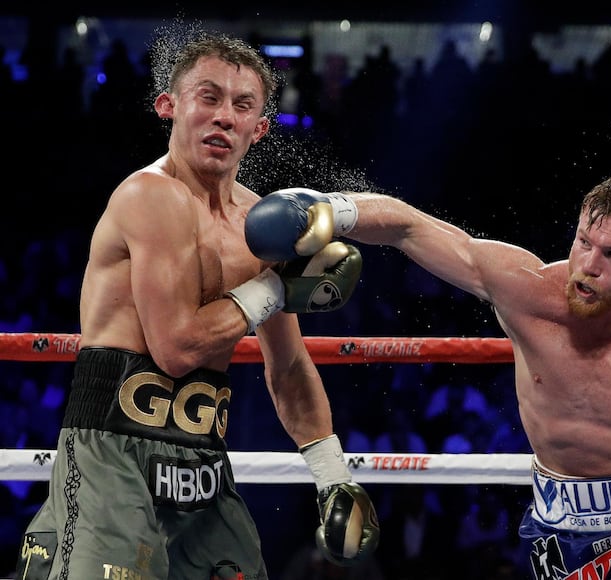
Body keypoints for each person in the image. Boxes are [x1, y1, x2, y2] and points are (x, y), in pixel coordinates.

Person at [245, 171, 611, 579]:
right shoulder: (530, 292)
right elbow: (409, 227)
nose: (588, 265)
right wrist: (329, 209)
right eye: (584, 242)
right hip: (552, 523)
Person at [16, 32, 378, 580]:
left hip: (202, 461)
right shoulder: (149, 196)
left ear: (259, 129)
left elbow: (288, 365)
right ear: (169, 106)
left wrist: (331, 475)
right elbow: (178, 346)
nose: (224, 117)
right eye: (208, 97)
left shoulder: (262, 224)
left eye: (242, 105)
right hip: (114, 451)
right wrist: (280, 285)